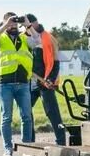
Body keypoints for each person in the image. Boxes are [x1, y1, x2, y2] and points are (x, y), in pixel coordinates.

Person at [0, 12, 34, 156]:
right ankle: (8, 149)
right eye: (10, 22)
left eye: (15, 22)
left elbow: (38, 42)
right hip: (5, 84)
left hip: (23, 83)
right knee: (6, 118)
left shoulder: (24, 37)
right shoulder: (0, 39)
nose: (13, 24)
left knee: (26, 117)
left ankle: (27, 148)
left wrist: (28, 25)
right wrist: (5, 25)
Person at [24, 13, 67, 146]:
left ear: (35, 23)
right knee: (26, 110)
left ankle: (61, 142)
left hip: (46, 81)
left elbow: (56, 61)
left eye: (29, 24)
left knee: (52, 112)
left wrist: (51, 79)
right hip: (32, 81)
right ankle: (30, 142)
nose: (27, 28)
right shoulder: (26, 38)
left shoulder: (48, 38)